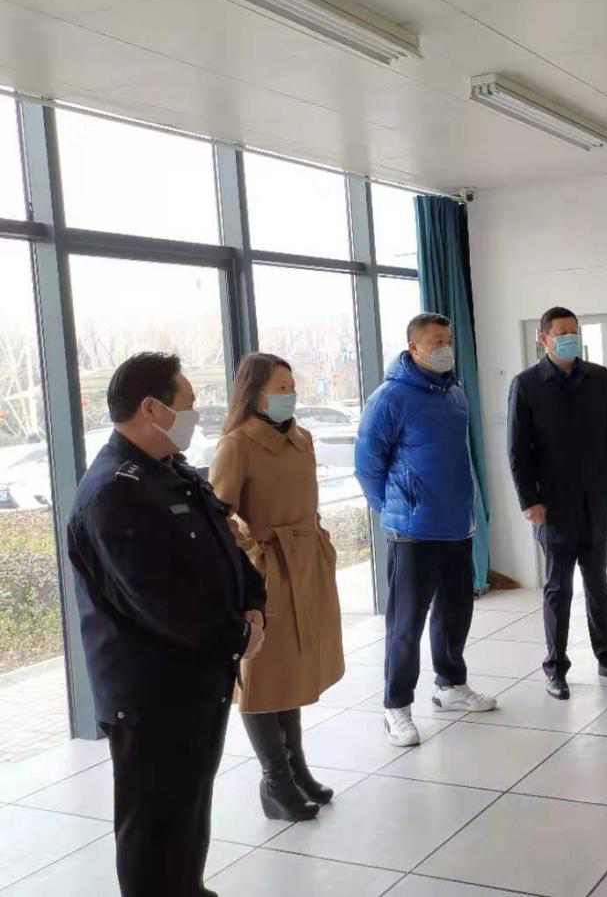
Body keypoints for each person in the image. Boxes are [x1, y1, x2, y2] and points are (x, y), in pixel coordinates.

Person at [67, 353, 266, 897]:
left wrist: (254, 602)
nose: (196, 414)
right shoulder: (113, 493)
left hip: (196, 680)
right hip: (152, 695)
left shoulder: (170, 471)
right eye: (188, 403)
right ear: (152, 409)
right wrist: (238, 635)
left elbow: (227, 546)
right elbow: (158, 602)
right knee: (153, 823)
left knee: (188, 807)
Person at [210, 353, 345, 822]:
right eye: (280, 387)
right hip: (268, 570)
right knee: (263, 675)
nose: (290, 394)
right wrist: (255, 549)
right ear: (255, 392)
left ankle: (296, 769)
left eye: (292, 386)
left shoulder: (302, 438)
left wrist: (316, 539)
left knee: (291, 671)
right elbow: (218, 516)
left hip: (306, 565)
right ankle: (276, 781)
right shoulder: (237, 444)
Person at [355, 312, 496, 747]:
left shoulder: (454, 393)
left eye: (448, 339)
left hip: (457, 526)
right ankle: (395, 707)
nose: (445, 347)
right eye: (436, 341)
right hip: (413, 533)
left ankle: (451, 685)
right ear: (414, 347)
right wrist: (395, 510)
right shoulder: (389, 397)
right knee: (406, 624)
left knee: (455, 614)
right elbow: (367, 464)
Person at [507, 307, 607, 700]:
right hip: (552, 506)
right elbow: (517, 450)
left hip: (595, 500)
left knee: (599, 586)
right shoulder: (526, 384)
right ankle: (555, 668)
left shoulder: (597, 377)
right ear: (543, 338)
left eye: (573, 332)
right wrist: (529, 500)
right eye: (561, 333)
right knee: (557, 590)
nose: (569, 338)